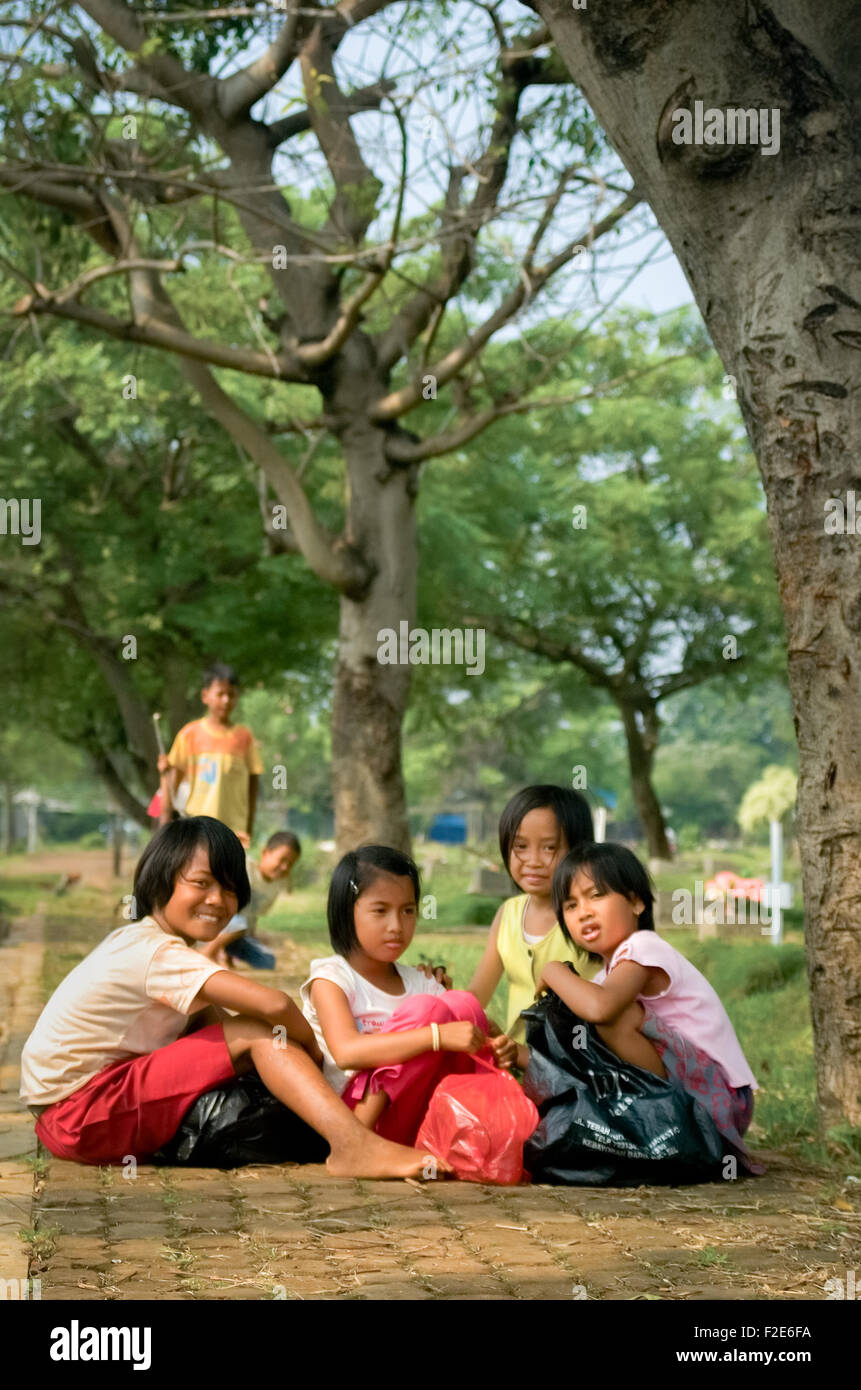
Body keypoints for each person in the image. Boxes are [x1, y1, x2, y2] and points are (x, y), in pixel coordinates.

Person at [20, 818, 443, 1180]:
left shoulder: (145, 942)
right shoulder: (156, 952)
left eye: (228, 889)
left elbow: (215, 1026)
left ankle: (346, 1134)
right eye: (201, 884)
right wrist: (315, 1052)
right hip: (79, 1112)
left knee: (246, 1038)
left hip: (73, 1109)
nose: (217, 901)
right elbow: (273, 1006)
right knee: (260, 1031)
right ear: (159, 879)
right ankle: (352, 1145)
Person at [535, 840, 759, 1159]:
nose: (583, 912)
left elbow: (601, 1008)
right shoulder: (608, 976)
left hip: (721, 1100)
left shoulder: (644, 947)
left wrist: (553, 970)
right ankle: (653, 1113)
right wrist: (511, 1054)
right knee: (584, 1025)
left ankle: (663, 1116)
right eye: (570, 906)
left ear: (637, 902)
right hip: (702, 1094)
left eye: (596, 895)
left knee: (612, 1018)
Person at [301, 845, 517, 1146]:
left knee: (461, 1002)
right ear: (346, 911)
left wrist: (499, 1045)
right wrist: (436, 1036)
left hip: (418, 1117)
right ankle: (358, 1145)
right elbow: (346, 1051)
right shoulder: (333, 978)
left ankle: (471, 1132)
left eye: (408, 911)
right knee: (428, 1011)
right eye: (380, 911)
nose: (396, 927)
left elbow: (472, 1028)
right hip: (355, 1117)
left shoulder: (421, 980)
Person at [466, 785, 600, 1049]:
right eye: (520, 846)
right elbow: (476, 996)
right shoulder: (508, 914)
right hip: (516, 1061)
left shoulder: (593, 915)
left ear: (579, 848)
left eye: (549, 848)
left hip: (581, 1064)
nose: (533, 861)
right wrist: (438, 993)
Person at [158, 662, 262, 847]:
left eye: (231, 695)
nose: (226, 700)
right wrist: (164, 835)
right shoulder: (189, 734)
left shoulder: (244, 737)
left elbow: (253, 786)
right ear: (205, 696)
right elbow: (171, 786)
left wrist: (248, 828)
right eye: (220, 694)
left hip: (233, 833)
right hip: (197, 833)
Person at [200, 831, 301, 970]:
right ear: (265, 852)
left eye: (290, 864)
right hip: (218, 922)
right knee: (240, 923)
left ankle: (225, 954)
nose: (285, 867)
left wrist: (252, 936)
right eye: (282, 860)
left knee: (267, 961)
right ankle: (208, 953)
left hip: (238, 933)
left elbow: (254, 915)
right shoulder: (246, 866)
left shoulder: (276, 885)